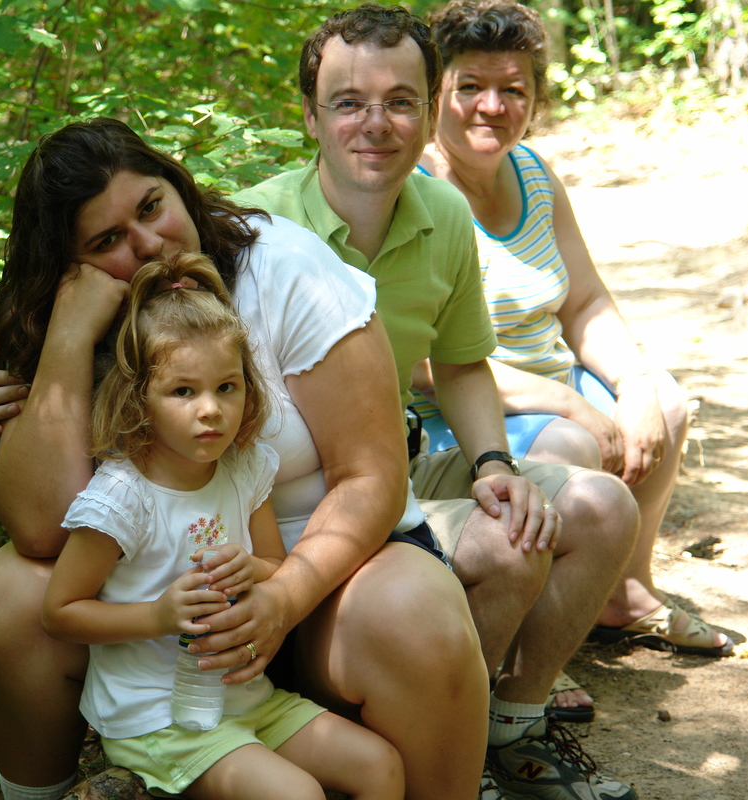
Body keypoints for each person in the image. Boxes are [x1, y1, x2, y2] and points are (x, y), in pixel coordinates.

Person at [0, 116, 491, 800]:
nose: (149, 242)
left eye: (152, 206)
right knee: (9, 596)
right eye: (107, 241)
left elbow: (374, 478)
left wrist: (280, 595)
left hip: (334, 574)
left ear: (178, 186)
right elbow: (38, 530)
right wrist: (64, 339)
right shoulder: (81, 322)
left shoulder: (285, 270)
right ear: (70, 264)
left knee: (412, 610)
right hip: (160, 622)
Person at [231, 5, 642, 799]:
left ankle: (506, 733)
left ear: (428, 111)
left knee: (598, 507)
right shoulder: (253, 224)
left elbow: (459, 365)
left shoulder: (444, 214)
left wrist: (493, 463)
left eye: (399, 101)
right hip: (295, 502)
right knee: (510, 548)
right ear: (310, 116)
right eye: (348, 102)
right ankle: (429, 736)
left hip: (405, 474)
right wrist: (17, 374)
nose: (374, 123)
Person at [413, 0, 733, 717]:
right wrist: (568, 401)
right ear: (437, 89)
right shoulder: (417, 190)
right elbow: (416, 360)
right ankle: (530, 651)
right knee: (573, 438)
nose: (491, 106)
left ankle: (623, 590)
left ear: (536, 97)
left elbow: (585, 304)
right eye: (469, 86)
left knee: (667, 403)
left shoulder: (532, 173)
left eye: (514, 88)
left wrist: (638, 383)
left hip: (553, 384)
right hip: (461, 415)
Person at [41, 251, 403, 800]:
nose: (210, 409)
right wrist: (158, 615)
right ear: (139, 397)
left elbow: (276, 567)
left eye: (227, 387)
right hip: (159, 718)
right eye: (183, 391)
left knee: (379, 766)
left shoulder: (242, 469)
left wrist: (252, 568)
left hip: (245, 698)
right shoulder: (122, 497)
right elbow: (61, 612)